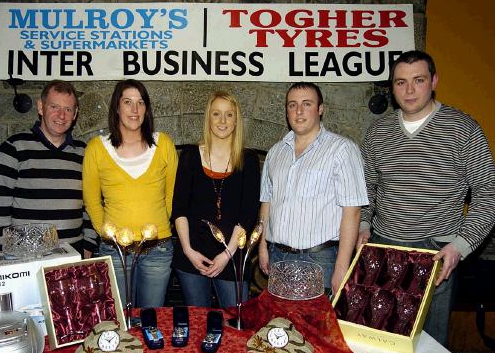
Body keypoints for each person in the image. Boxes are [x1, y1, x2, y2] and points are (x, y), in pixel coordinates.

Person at [358, 50, 495, 347]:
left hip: (436, 252)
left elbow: (489, 192)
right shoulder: (377, 133)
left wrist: (460, 246)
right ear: (392, 86)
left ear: (434, 81)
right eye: (400, 82)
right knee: (380, 341)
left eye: (418, 80)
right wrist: (363, 224)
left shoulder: (464, 129)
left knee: (430, 347)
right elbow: (367, 187)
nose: (409, 90)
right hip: (384, 247)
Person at [258, 82, 368, 293]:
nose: (298, 111)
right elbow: (266, 203)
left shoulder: (342, 150)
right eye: (292, 105)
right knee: (281, 323)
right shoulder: (275, 152)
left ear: (320, 109)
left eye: (306, 104)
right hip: (278, 256)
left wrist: (342, 267)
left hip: (320, 259)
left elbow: (352, 211)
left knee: (315, 325)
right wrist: (263, 246)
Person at [83, 79, 178, 308]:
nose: (134, 110)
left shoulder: (163, 144)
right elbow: (92, 201)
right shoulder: (97, 148)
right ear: (117, 107)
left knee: (151, 322)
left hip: (158, 250)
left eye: (140, 102)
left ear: (146, 109)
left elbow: (173, 195)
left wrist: (157, 225)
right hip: (114, 251)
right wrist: (109, 233)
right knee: (120, 323)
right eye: (128, 102)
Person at [172, 92, 260, 308]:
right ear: (208, 118)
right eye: (217, 114)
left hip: (233, 256)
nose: (222, 121)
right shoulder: (190, 156)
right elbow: (179, 209)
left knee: (236, 325)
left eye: (229, 115)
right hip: (192, 256)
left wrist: (227, 254)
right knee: (198, 325)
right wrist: (188, 251)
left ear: (236, 120)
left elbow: (247, 215)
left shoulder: (248, 160)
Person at [0, 80, 97, 257]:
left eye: (68, 109)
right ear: (41, 107)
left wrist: (88, 246)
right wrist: (5, 253)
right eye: (54, 106)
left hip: (73, 255)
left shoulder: (84, 153)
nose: (61, 115)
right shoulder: (14, 147)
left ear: (75, 113)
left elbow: (91, 205)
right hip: (26, 257)